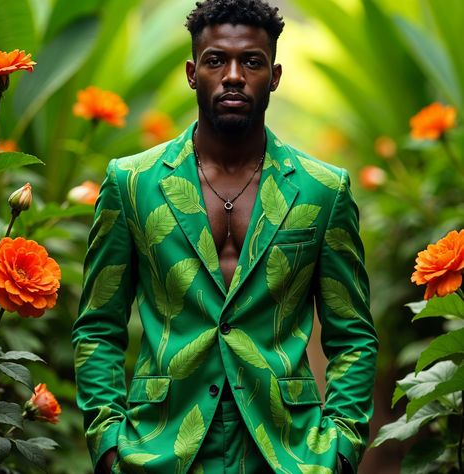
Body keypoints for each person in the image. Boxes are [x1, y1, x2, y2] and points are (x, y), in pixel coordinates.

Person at [72, 1, 378, 473]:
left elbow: (353, 334)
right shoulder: (133, 183)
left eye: (251, 62)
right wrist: (108, 440)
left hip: (288, 450)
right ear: (193, 73)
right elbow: (98, 324)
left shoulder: (323, 189)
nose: (233, 75)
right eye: (216, 60)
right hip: (161, 447)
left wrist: (342, 446)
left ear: (274, 76)